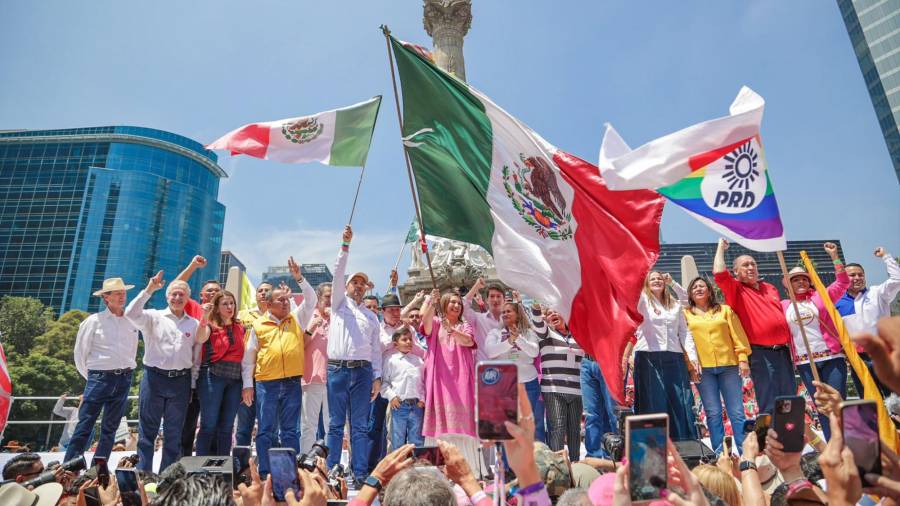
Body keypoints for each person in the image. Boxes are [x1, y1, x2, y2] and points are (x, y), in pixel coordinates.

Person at [241, 255, 316, 477]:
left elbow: (311, 301)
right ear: (269, 304)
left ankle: (289, 473)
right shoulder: (258, 325)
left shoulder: (296, 318)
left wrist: (299, 278)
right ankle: (265, 472)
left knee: (290, 431)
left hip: (292, 382)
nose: (285, 302)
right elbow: (248, 359)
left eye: (286, 299)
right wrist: (248, 385)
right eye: (280, 300)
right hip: (266, 384)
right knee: (265, 430)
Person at [125, 271, 200, 473]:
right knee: (147, 433)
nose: (177, 298)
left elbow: (196, 357)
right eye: (173, 294)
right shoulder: (153, 316)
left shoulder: (194, 324)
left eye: (181, 295)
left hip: (181, 382)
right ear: (167, 297)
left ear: (187, 299)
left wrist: (192, 385)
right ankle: (144, 475)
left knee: (174, 434)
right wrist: (149, 289)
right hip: (154, 379)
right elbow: (130, 314)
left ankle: (167, 477)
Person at [324, 225, 382, 487]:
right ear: (346, 286)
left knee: (359, 426)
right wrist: (345, 246)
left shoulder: (372, 317)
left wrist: (377, 378)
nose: (358, 287)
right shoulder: (338, 304)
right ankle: (332, 471)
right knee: (336, 425)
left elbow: (376, 350)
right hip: (337, 369)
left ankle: (359, 473)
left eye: (362, 284)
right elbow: (336, 273)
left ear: (367, 289)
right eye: (354, 283)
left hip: (363, 372)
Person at [713, 238, 795, 415]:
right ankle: (769, 439)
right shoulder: (735, 289)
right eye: (745, 265)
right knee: (769, 401)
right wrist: (721, 247)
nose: (751, 267)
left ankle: (789, 438)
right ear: (736, 272)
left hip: (783, 352)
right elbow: (719, 273)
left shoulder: (770, 288)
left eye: (753, 264)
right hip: (760, 353)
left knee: (790, 400)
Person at [64, 278, 139, 463]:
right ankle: (70, 467)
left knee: (111, 428)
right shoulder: (93, 321)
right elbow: (80, 353)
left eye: (123, 293)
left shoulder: (132, 321)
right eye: (117, 293)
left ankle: (99, 469)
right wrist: (92, 377)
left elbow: (133, 350)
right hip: (100, 377)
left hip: (124, 377)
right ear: (106, 297)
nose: (122, 296)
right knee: (85, 425)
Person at [676, 276, 752, 454]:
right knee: (713, 412)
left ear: (710, 291)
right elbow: (683, 341)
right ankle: (720, 453)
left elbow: (738, 335)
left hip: (729, 366)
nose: (698, 289)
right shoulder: (685, 314)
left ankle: (745, 452)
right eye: (694, 287)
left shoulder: (725, 311)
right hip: (703, 370)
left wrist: (742, 358)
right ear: (690, 294)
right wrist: (690, 367)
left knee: (737, 412)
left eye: (702, 286)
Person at [780, 243, 849, 440]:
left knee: (837, 404)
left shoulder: (821, 296)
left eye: (804, 278)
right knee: (821, 407)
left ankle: (846, 448)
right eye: (795, 280)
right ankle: (832, 447)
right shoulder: (783, 305)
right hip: (806, 364)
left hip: (832, 358)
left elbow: (842, 283)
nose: (800, 282)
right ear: (788, 285)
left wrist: (835, 256)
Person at [628, 271, 699, 440]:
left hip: (674, 356)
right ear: (646, 283)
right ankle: (653, 444)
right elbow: (630, 290)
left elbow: (684, 330)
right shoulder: (642, 301)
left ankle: (682, 442)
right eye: (652, 279)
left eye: (660, 278)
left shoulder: (674, 305)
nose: (657, 281)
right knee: (653, 401)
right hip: (648, 355)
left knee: (680, 399)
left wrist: (692, 356)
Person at [420, 287, 480, 473]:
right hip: (440, 379)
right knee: (441, 424)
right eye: (453, 302)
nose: (456, 305)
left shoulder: (465, 325)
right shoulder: (437, 323)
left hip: (461, 379)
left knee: (463, 422)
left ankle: (467, 467)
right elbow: (426, 324)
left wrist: (452, 330)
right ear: (444, 304)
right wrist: (431, 302)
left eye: (459, 303)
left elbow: (469, 341)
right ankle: (439, 468)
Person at [367, 292, 424, 471]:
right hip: (383, 379)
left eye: (398, 310)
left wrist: (406, 340)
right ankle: (374, 465)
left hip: (406, 385)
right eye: (391, 310)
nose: (395, 313)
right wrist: (392, 343)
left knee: (408, 432)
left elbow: (420, 351)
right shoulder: (378, 328)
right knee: (376, 426)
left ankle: (411, 467)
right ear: (383, 312)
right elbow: (374, 351)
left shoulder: (409, 330)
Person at [174, 255, 222, 457]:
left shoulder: (226, 313)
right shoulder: (193, 308)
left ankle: (209, 466)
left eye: (216, 291)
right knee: (188, 421)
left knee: (212, 424)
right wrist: (193, 265)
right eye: (209, 291)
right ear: (201, 295)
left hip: (215, 375)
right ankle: (183, 463)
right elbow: (178, 285)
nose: (212, 293)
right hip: (191, 373)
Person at [194, 290, 252, 456]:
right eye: (225, 304)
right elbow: (200, 338)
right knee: (208, 424)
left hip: (235, 379)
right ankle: (201, 469)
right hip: (213, 376)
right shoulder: (211, 326)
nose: (229, 307)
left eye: (232, 303)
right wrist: (204, 317)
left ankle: (224, 467)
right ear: (217, 308)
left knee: (227, 427)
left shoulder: (240, 327)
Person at [837, 246, 899, 396]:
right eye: (852, 275)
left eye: (860, 274)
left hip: (884, 355)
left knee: (896, 399)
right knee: (870, 402)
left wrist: (886, 256)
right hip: (858, 360)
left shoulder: (878, 292)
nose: (857, 278)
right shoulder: (837, 303)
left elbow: (897, 279)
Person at [484, 299, 546, 442]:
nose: (505, 314)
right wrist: (509, 342)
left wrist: (518, 339)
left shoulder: (528, 332)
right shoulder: (495, 333)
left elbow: (533, 352)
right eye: (503, 312)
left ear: (517, 314)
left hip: (529, 384)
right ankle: (510, 461)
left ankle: (536, 459)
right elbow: (490, 351)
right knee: (508, 425)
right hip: (505, 386)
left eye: (509, 311)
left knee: (532, 424)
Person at [530, 305, 586, 460]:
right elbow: (537, 323)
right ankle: (557, 467)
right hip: (553, 389)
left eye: (556, 311)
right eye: (549, 313)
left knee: (575, 430)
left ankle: (575, 466)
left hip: (577, 390)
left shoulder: (578, 335)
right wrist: (536, 309)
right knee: (558, 428)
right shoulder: (545, 334)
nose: (553, 314)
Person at [235, 281, 273, 447]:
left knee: (268, 426)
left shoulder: (279, 316)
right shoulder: (243, 315)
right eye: (260, 291)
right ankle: (242, 466)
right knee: (244, 426)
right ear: (256, 295)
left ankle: (266, 466)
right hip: (245, 375)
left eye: (267, 291)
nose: (263, 293)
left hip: (271, 376)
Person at [381, 327, 426, 448]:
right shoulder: (391, 361)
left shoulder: (419, 361)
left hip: (417, 406)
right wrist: (392, 397)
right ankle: (399, 466)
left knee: (417, 440)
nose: (408, 342)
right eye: (404, 339)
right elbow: (384, 383)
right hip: (399, 406)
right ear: (395, 344)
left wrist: (423, 399)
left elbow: (423, 383)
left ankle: (415, 465)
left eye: (410, 339)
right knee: (397, 439)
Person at [300, 282, 331, 454]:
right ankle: (305, 462)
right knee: (308, 425)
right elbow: (300, 345)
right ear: (318, 298)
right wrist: (312, 327)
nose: (330, 300)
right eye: (327, 296)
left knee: (332, 425)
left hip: (334, 379)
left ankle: (331, 464)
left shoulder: (338, 319)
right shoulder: (307, 315)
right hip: (312, 378)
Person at [463, 277, 505, 363]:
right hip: (485, 369)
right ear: (486, 300)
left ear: (504, 300)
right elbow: (463, 307)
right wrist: (476, 286)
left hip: (506, 367)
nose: (495, 299)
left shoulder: (510, 320)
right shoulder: (478, 318)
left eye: (498, 296)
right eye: (492, 296)